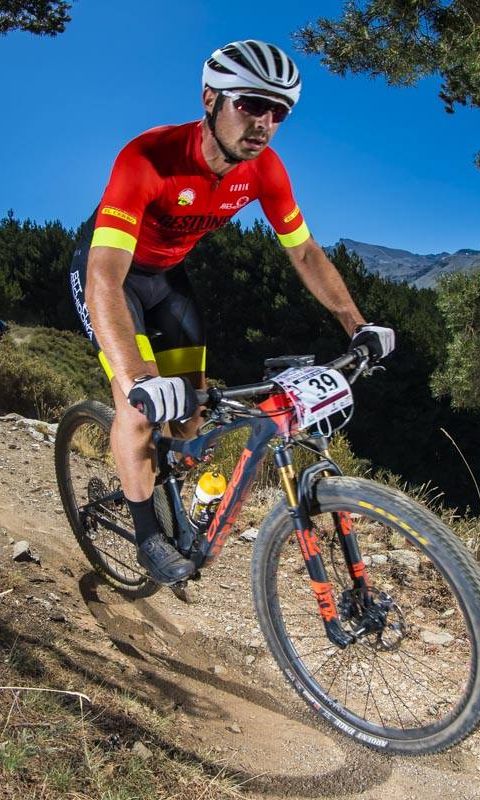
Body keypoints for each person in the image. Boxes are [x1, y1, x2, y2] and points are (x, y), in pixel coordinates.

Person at [69, 39, 395, 585]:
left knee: (191, 410)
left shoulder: (265, 170)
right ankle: (148, 534)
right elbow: (104, 275)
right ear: (209, 99)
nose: (264, 123)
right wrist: (134, 381)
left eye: (278, 112)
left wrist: (356, 324)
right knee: (140, 405)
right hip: (112, 275)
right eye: (249, 104)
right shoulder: (147, 157)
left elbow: (305, 251)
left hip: (168, 281)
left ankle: (171, 478)